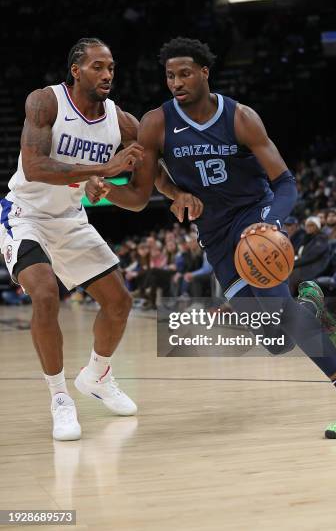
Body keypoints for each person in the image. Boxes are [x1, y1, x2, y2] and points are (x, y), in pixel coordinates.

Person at [86, 37, 336, 439]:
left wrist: (271, 222)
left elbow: (286, 183)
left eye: (185, 73)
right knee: (276, 340)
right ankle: (311, 311)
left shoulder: (240, 117)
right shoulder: (157, 122)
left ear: (205, 73)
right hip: (215, 235)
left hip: (254, 220)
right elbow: (140, 197)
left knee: (279, 308)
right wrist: (110, 192)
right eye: (170, 75)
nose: (177, 82)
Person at [0, 37, 202, 442]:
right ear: (76, 70)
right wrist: (103, 168)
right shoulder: (47, 102)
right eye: (97, 66)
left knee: (119, 302)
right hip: (25, 214)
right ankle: (60, 398)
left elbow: (149, 165)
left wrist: (175, 193)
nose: (107, 74)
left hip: (70, 218)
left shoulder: (121, 121)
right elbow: (35, 165)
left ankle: (97, 374)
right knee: (43, 295)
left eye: (110, 67)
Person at [289, 216, 330, 295]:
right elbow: (296, 252)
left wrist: (294, 264)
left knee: (292, 274)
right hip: (304, 265)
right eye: (307, 225)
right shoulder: (306, 238)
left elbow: (311, 257)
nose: (309, 227)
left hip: (315, 266)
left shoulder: (321, 238)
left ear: (317, 227)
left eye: (312, 225)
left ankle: (288, 302)